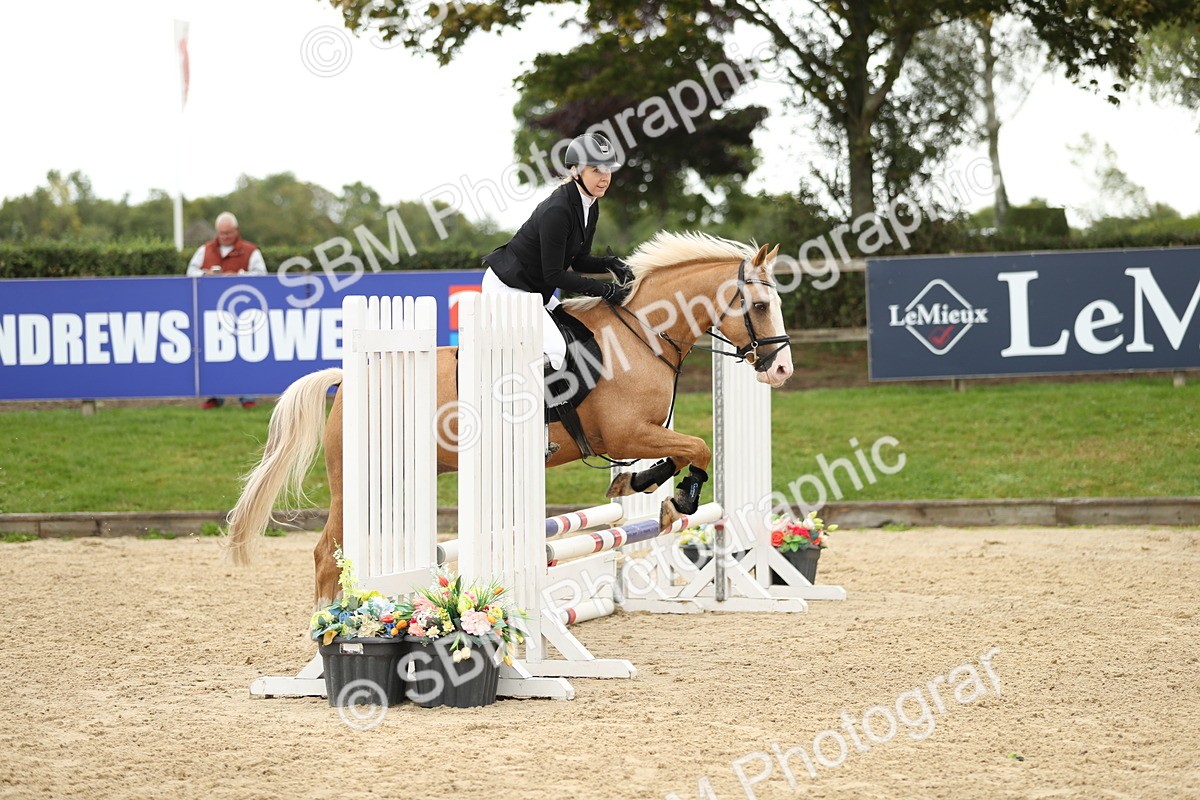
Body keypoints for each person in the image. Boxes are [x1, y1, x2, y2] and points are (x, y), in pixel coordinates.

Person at [481, 132, 633, 374]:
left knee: (576, 332)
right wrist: (604, 290)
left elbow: (579, 261)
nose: (605, 177)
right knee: (555, 350)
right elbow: (553, 275)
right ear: (576, 171)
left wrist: (611, 264)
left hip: (533, 289)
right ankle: (527, 397)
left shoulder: (590, 204)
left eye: (608, 169)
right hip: (509, 287)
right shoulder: (558, 210)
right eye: (596, 170)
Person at [187, 212, 267, 409]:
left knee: (245, 353)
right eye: (221, 233)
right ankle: (215, 396)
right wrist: (206, 274)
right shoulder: (204, 250)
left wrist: (239, 276)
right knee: (214, 353)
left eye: (228, 233)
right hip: (211, 312)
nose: (225, 236)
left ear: (236, 231)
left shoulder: (251, 251)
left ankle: (247, 396)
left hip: (243, 312)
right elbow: (190, 273)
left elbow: (262, 275)